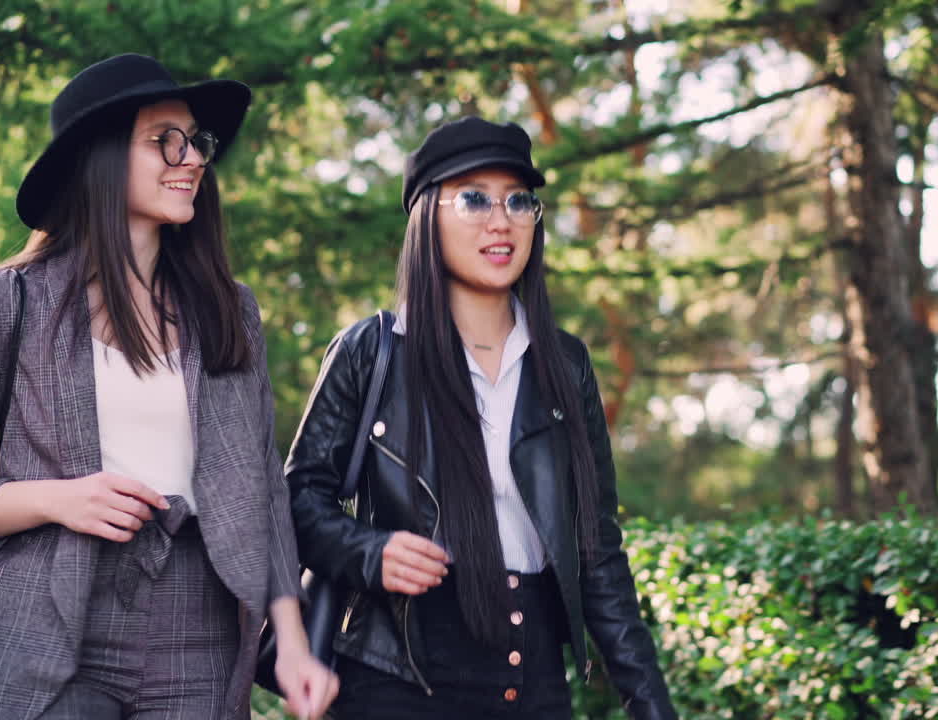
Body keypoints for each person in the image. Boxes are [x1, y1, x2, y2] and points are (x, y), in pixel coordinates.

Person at [0, 53, 337, 720]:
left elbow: (263, 486)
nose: (192, 157)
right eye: (163, 139)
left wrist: (290, 640)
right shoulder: (7, 300)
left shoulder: (229, 308)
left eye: (197, 140)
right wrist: (58, 499)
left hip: (199, 630)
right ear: (100, 156)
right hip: (42, 630)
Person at [285, 116, 678, 719]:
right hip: (396, 676)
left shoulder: (564, 364)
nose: (502, 220)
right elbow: (295, 500)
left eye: (520, 201)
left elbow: (596, 551)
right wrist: (370, 550)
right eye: (474, 199)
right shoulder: (371, 351)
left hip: (535, 675)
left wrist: (650, 704)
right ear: (425, 216)